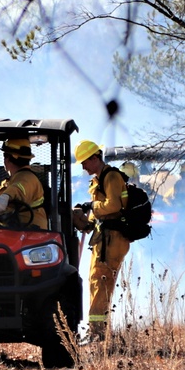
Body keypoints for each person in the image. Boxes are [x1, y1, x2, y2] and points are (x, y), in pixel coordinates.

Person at [73, 140, 130, 342]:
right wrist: (85, 219)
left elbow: (113, 205)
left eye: (85, 162)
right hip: (103, 238)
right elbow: (100, 210)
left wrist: (92, 206)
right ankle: (97, 330)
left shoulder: (112, 176)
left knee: (102, 282)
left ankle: (97, 333)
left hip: (113, 239)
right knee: (96, 281)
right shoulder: (98, 180)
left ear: (95, 158)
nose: (83, 166)